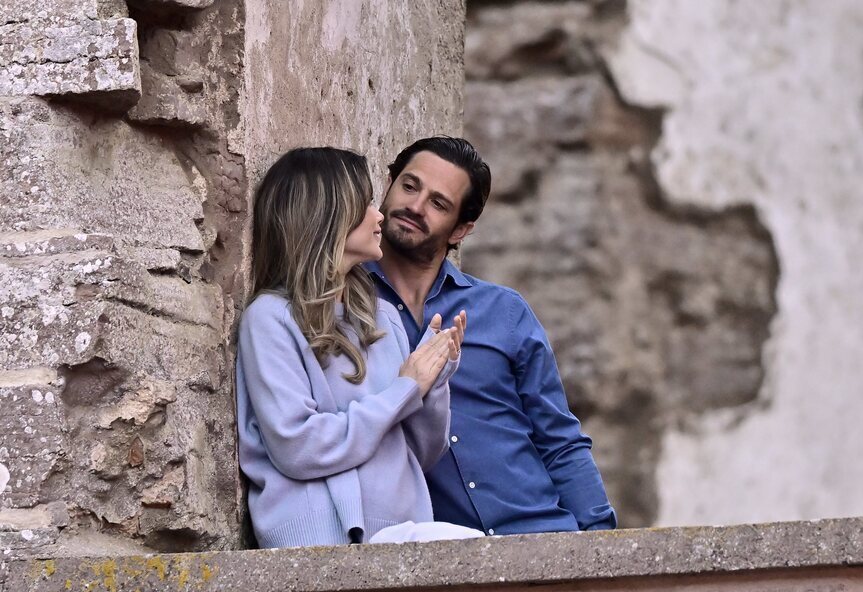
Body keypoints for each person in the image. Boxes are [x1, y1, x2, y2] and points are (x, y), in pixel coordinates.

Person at [366, 136, 616, 535]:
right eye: (409, 186)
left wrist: (601, 540)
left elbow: (560, 439)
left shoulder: (505, 312)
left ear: (461, 229)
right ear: (389, 185)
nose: (415, 206)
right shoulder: (344, 308)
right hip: (437, 555)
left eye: (438, 203)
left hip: (543, 533)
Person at [236, 147, 483, 547]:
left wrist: (433, 379)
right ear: (329, 219)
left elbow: (417, 453)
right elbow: (298, 446)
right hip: (320, 538)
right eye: (365, 203)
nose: (379, 215)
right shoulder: (270, 318)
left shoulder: (381, 319)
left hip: (400, 531)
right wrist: (406, 387)